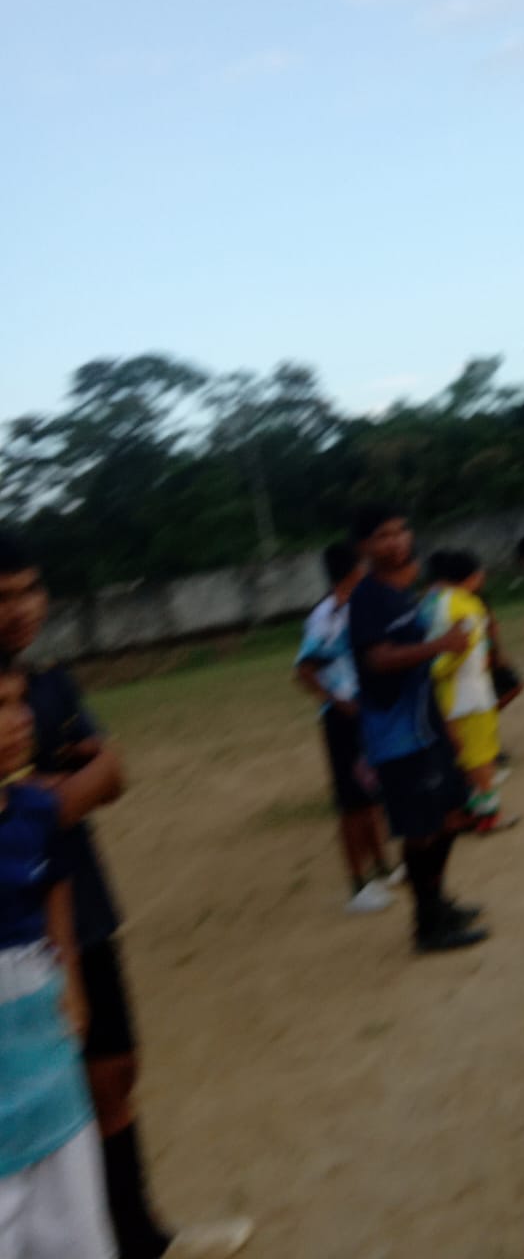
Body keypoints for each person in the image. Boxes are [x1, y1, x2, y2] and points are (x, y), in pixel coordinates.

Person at [0, 530, 253, 1259]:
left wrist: (79, 777)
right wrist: (78, 779)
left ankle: (137, 1234)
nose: (22, 609)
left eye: (30, 590)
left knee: (114, 1070)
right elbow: (50, 801)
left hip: (78, 901)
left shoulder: (50, 682)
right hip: (19, 930)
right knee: (40, 1099)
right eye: (3, 598)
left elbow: (106, 778)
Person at [0, 665, 116, 1259]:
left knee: (77, 1229)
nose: (20, 720)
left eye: (19, 703)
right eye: (0, 707)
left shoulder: (35, 812)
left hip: (45, 1052)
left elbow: (57, 897)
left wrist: (71, 985)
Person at [347, 505, 489, 955]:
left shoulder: (402, 593)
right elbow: (378, 659)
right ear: (364, 547)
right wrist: (443, 644)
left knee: (452, 817)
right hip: (398, 738)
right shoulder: (367, 598)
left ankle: (438, 903)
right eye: (383, 535)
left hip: (428, 727)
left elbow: (420, 672)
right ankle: (427, 926)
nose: (396, 541)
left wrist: (447, 727)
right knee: (421, 830)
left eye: (401, 532)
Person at [295, 542, 400, 915]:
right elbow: (303, 671)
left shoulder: (355, 607)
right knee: (352, 804)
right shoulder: (326, 617)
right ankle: (357, 886)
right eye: (363, 567)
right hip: (343, 718)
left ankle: (382, 866)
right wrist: (339, 702)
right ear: (352, 572)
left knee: (370, 795)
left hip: (365, 711)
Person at [424, 551, 517, 835]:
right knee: (479, 756)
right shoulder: (464, 604)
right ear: (472, 576)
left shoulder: (438, 601)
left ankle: (474, 809)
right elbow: (462, 647)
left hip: (456, 692)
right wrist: (436, 671)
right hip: (467, 693)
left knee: (467, 756)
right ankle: (490, 814)